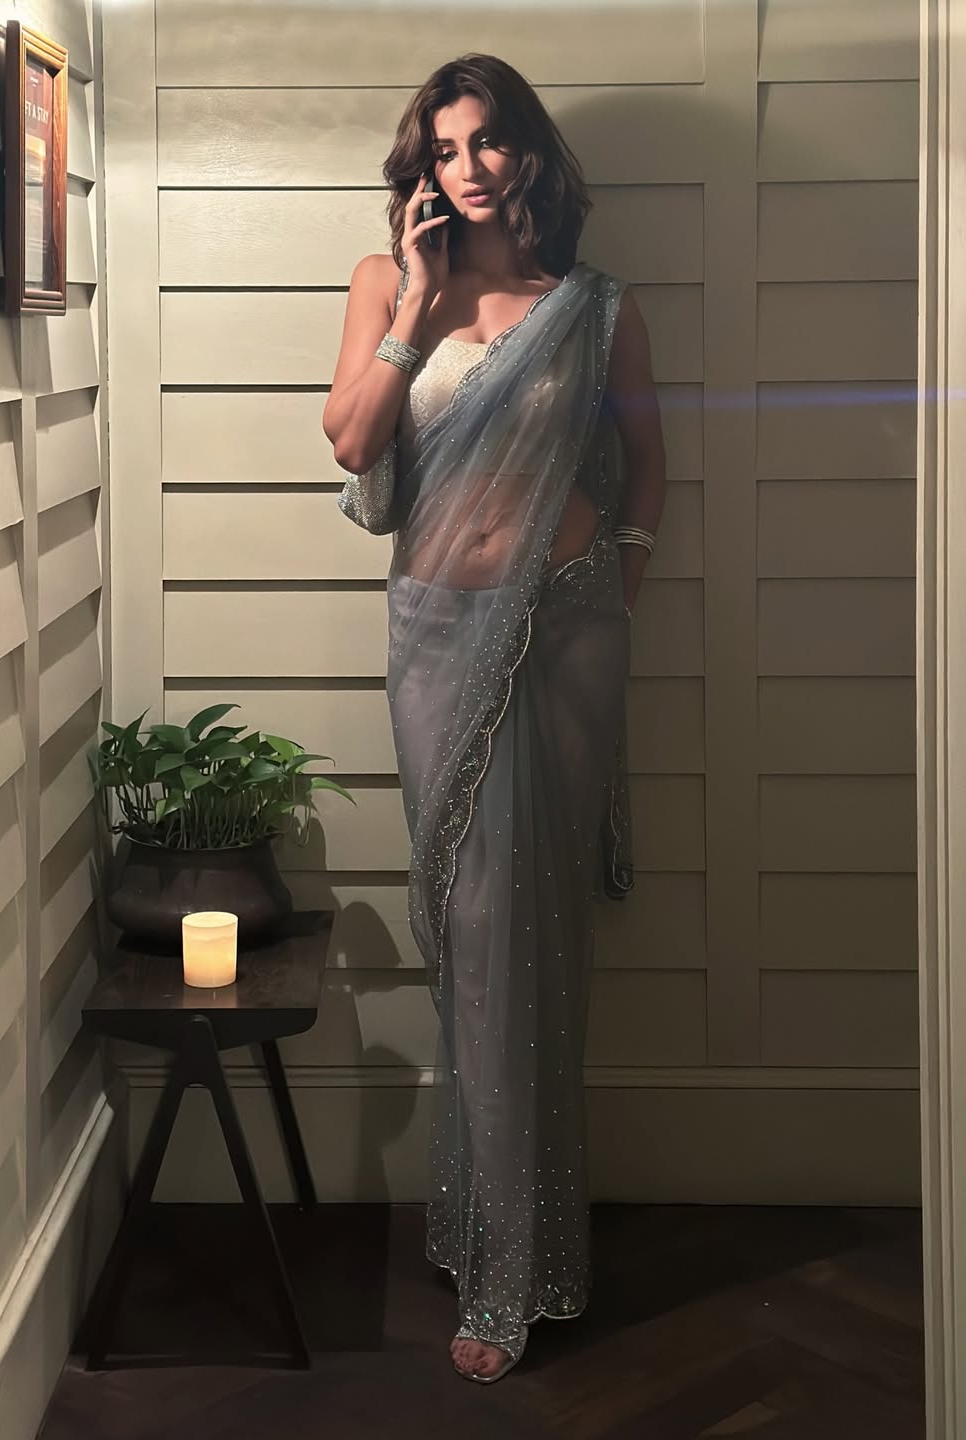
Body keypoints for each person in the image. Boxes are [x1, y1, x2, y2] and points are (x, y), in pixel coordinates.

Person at [323, 52, 666, 1384]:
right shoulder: (384, 281)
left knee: (536, 939)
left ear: (528, 153)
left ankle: (516, 1270)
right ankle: (479, 1225)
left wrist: (611, 588)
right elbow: (354, 444)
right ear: (423, 164)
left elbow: (647, 466)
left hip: (565, 638)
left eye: (491, 141)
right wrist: (414, 304)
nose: (469, 167)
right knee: (472, 939)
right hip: (433, 639)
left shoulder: (594, 307)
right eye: (447, 146)